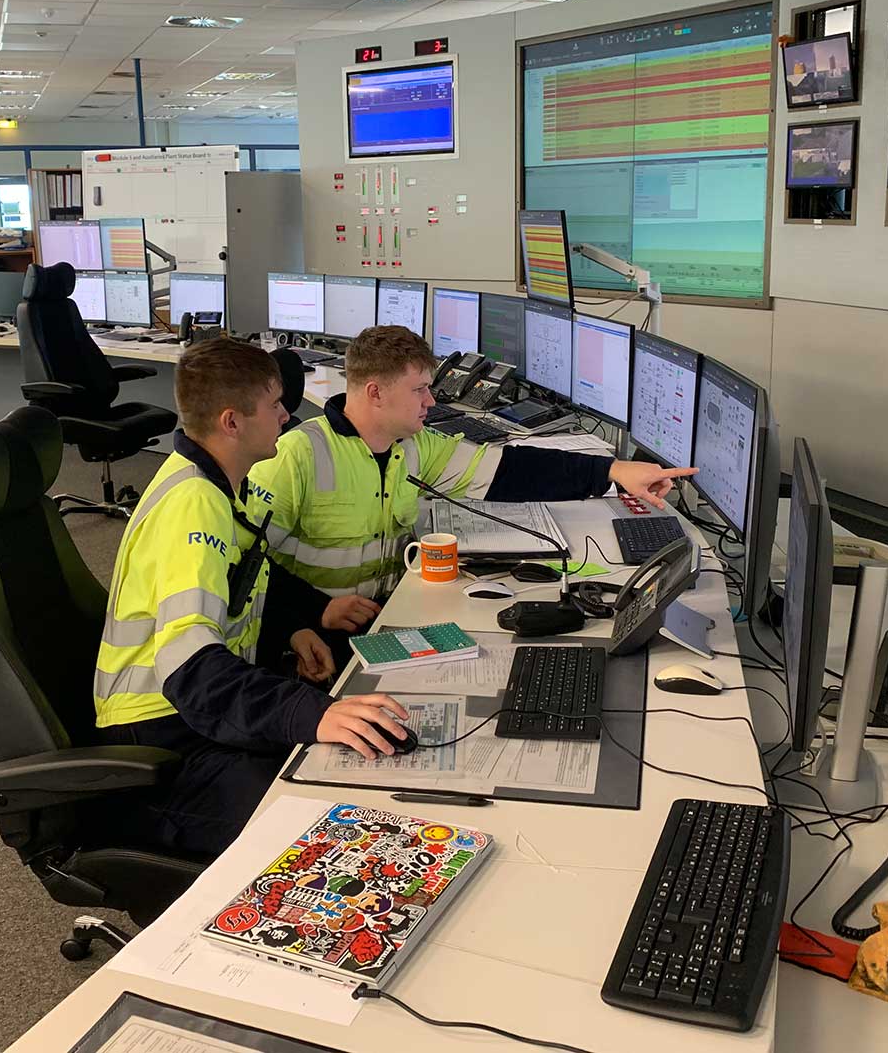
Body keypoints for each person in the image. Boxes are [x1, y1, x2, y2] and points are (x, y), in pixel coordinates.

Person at [93, 338, 408, 856]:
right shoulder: (192, 507)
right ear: (232, 422)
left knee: (348, 762)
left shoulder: (217, 482)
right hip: (162, 738)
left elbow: (249, 570)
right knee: (328, 824)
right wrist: (312, 714)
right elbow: (191, 669)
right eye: (274, 405)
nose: (287, 416)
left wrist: (301, 621)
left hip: (197, 714)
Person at [246, 325, 695, 606]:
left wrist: (614, 472)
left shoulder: (416, 445)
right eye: (420, 389)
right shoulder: (296, 455)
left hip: (391, 610)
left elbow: (510, 470)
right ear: (375, 393)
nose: (432, 400)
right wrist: (313, 614)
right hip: (317, 629)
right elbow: (250, 566)